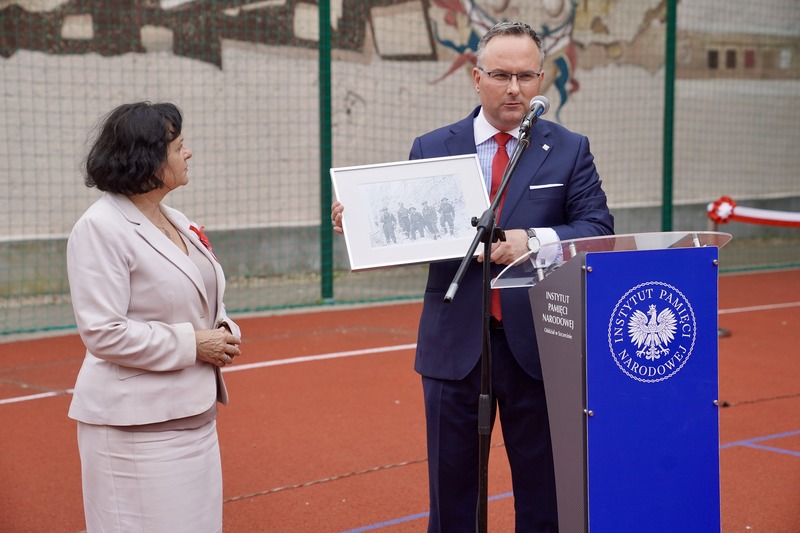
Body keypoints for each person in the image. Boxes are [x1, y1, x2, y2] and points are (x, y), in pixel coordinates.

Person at [332, 21, 613, 531]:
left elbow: (596, 226)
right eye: (501, 75)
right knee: (452, 490)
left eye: (526, 77)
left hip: (541, 343)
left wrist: (531, 241)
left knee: (545, 490)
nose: (514, 89)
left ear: (542, 80)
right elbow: (415, 230)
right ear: (476, 78)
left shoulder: (570, 149)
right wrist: (364, 223)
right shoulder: (434, 146)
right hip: (455, 345)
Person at [66, 102, 242, 532]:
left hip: (193, 416)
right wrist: (195, 343)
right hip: (134, 428)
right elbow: (104, 333)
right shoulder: (99, 228)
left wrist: (224, 329)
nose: (189, 153)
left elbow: (205, 299)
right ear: (147, 158)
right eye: (179, 146)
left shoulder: (179, 221)